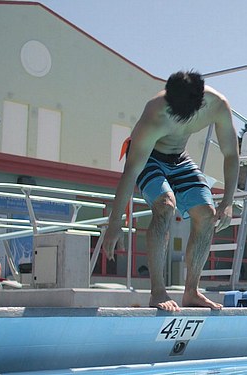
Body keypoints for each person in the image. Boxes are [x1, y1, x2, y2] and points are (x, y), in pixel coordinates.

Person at [102, 70, 239, 312]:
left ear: (200, 105)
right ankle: (158, 291)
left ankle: (192, 292)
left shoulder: (218, 105)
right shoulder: (155, 113)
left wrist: (228, 201)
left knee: (206, 214)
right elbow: (131, 172)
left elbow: (231, 154)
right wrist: (114, 223)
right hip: (149, 157)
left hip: (180, 159)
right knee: (165, 205)